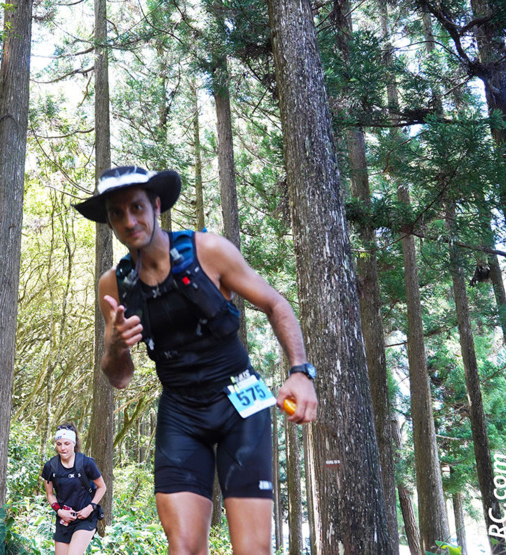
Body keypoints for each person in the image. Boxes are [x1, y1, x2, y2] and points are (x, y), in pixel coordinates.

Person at [72, 166, 318, 555]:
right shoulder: (114, 285)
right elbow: (119, 378)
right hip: (181, 413)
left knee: (252, 550)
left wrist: (300, 372)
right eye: (117, 213)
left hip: (241, 401)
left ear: (156, 206)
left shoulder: (208, 251)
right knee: (183, 547)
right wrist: (114, 346)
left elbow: (275, 304)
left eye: (137, 207)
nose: (129, 220)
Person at [41, 423, 107, 555]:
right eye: (59, 444)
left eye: (66, 443)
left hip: (85, 518)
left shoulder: (86, 463)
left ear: (74, 443)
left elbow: (102, 487)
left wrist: (90, 507)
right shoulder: (50, 466)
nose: (63, 448)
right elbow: (50, 494)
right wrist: (59, 511)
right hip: (64, 520)